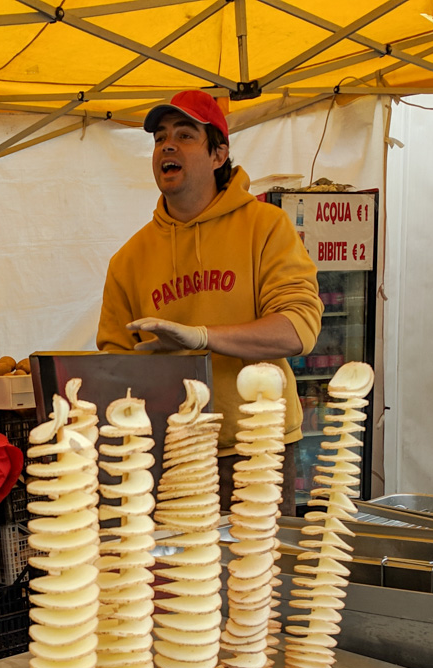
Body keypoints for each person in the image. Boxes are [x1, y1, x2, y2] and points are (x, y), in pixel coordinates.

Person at [96, 90, 323, 514]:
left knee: (259, 576)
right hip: (172, 453)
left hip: (257, 446)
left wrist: (201, 337)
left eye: (185, 135)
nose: (167, 145)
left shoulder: (265, 227)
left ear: (219, 154)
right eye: (160, 136)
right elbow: (114, 364)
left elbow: (297, 330)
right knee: (179, 576)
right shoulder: (129, 260)